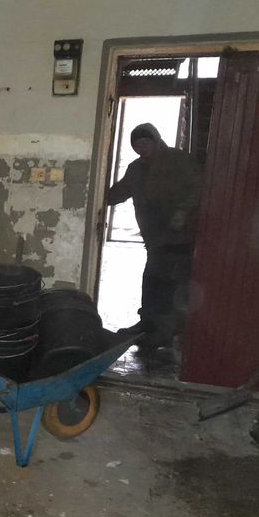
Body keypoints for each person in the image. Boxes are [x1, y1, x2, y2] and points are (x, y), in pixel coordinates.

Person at [106, 123, 202, 353]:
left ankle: (165, 333)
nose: (141, 148)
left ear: (156, 140)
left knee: (171, 285)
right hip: (155, 237)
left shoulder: (179, 160)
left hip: (180, 236)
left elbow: (199, 187)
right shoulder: (136, 168)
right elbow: (120, 191)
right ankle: (147, 323)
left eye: (145, 142)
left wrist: (183, 212)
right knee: (151, 280)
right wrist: (96, 197)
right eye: (136, 145)